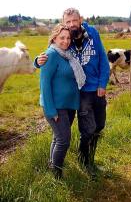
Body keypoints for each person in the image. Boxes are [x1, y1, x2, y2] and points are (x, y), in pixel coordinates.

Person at [36, 8, 110, 176]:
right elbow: (51, 54)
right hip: (82, 93)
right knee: (88, 130)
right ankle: (84, 161)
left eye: (74, 21)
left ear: (80, 20)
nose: (71, 25)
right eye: (67, 22)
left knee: (99, 126)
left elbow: (103, 59)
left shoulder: (92, 34)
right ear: (63, 24)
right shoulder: (65, 43)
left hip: (97, 89)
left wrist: (102, 83)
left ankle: (86, 158)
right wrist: (36, 61)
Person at [39, 23, 85, 179]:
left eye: (68, 38)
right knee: (64, 140)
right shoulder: (50, 55)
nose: (66, 41)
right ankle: (56, 174)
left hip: (69, 105)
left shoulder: (67, 54)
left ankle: (52, 165)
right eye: (62, 38)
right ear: (54, 38)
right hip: (56, 107)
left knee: (58, 138)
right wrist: (51, 111)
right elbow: (44, 84)